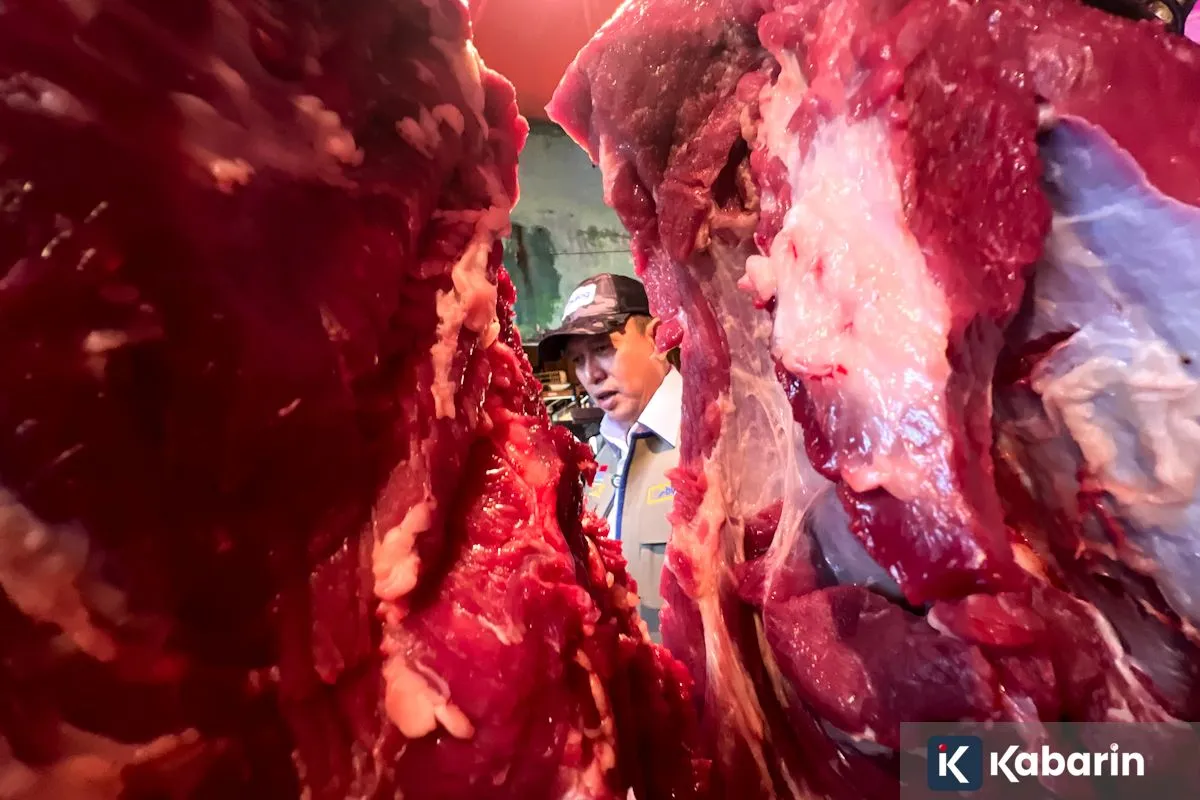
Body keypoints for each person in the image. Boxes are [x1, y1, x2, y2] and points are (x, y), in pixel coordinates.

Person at [538, 273, 681, 642]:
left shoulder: (703, 439)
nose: (591, 374)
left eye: (603, 348)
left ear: (655, 338)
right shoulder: (600, 455)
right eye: (578, 359)